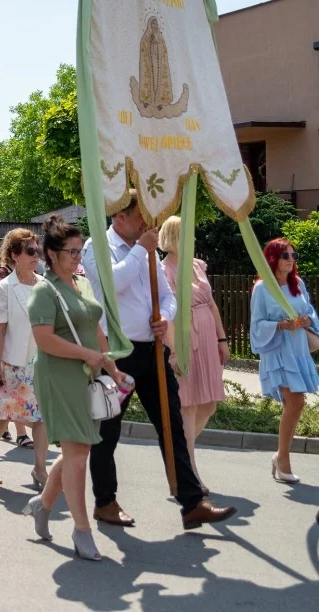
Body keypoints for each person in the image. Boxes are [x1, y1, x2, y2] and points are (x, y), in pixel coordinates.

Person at [82, 190, 236, 530]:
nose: (146, 226)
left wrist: (164, 318)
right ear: (120, 216)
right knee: (108, 429)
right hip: (116, 355)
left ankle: (192, 502)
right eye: (140, 218)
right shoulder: (98, 247)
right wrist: (142, 249)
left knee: (172, 425)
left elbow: (168, 297)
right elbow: (112, 285)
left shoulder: (146, 250)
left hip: (152, 350)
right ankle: (105, 501)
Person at [23, 215, 128, 561]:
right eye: (70, 251)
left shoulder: (81, 284)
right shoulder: (43, 290)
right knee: (79, 453)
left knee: (76, 450)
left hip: (86, 374)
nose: (77, 257)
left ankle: (43, 504)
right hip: (58, 376)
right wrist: (86, 354)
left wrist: (113, 367)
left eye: (79, 251)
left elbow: (96, 331)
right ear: (51, 254)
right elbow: (44, 339)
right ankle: (82, 529)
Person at [159, 216, 227, 494]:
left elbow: (211, 305)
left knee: (209, 404)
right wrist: (174, 350)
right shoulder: (165, 270)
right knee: (187, 407)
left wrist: (222, 339)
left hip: (208, 341)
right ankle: (190, 473)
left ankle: (179, 456)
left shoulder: (198, 265)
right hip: (186, 340)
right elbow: (168, 314)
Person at [250, 239, 319, 483]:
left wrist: (307, 320)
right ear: (273, 259)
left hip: (297, 349)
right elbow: (256, 325)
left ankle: (280, 456)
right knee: (296, 402)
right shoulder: (262, 288)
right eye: (285, 255)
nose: (291, 260)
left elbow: (310, 312)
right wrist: (282, 324)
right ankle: (283, 459)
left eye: (293, 255)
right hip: (277, 351)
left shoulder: (297, 284)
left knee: (297, 404)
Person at [0, 228, 49, 488]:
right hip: (12, 363)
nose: (37, 256)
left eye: (38, 251)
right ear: (15, 255)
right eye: (31, 252)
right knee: (2, 415)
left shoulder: (45, 286)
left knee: (41, 418)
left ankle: (40, 469)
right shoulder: (3, 288)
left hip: (39, 363)